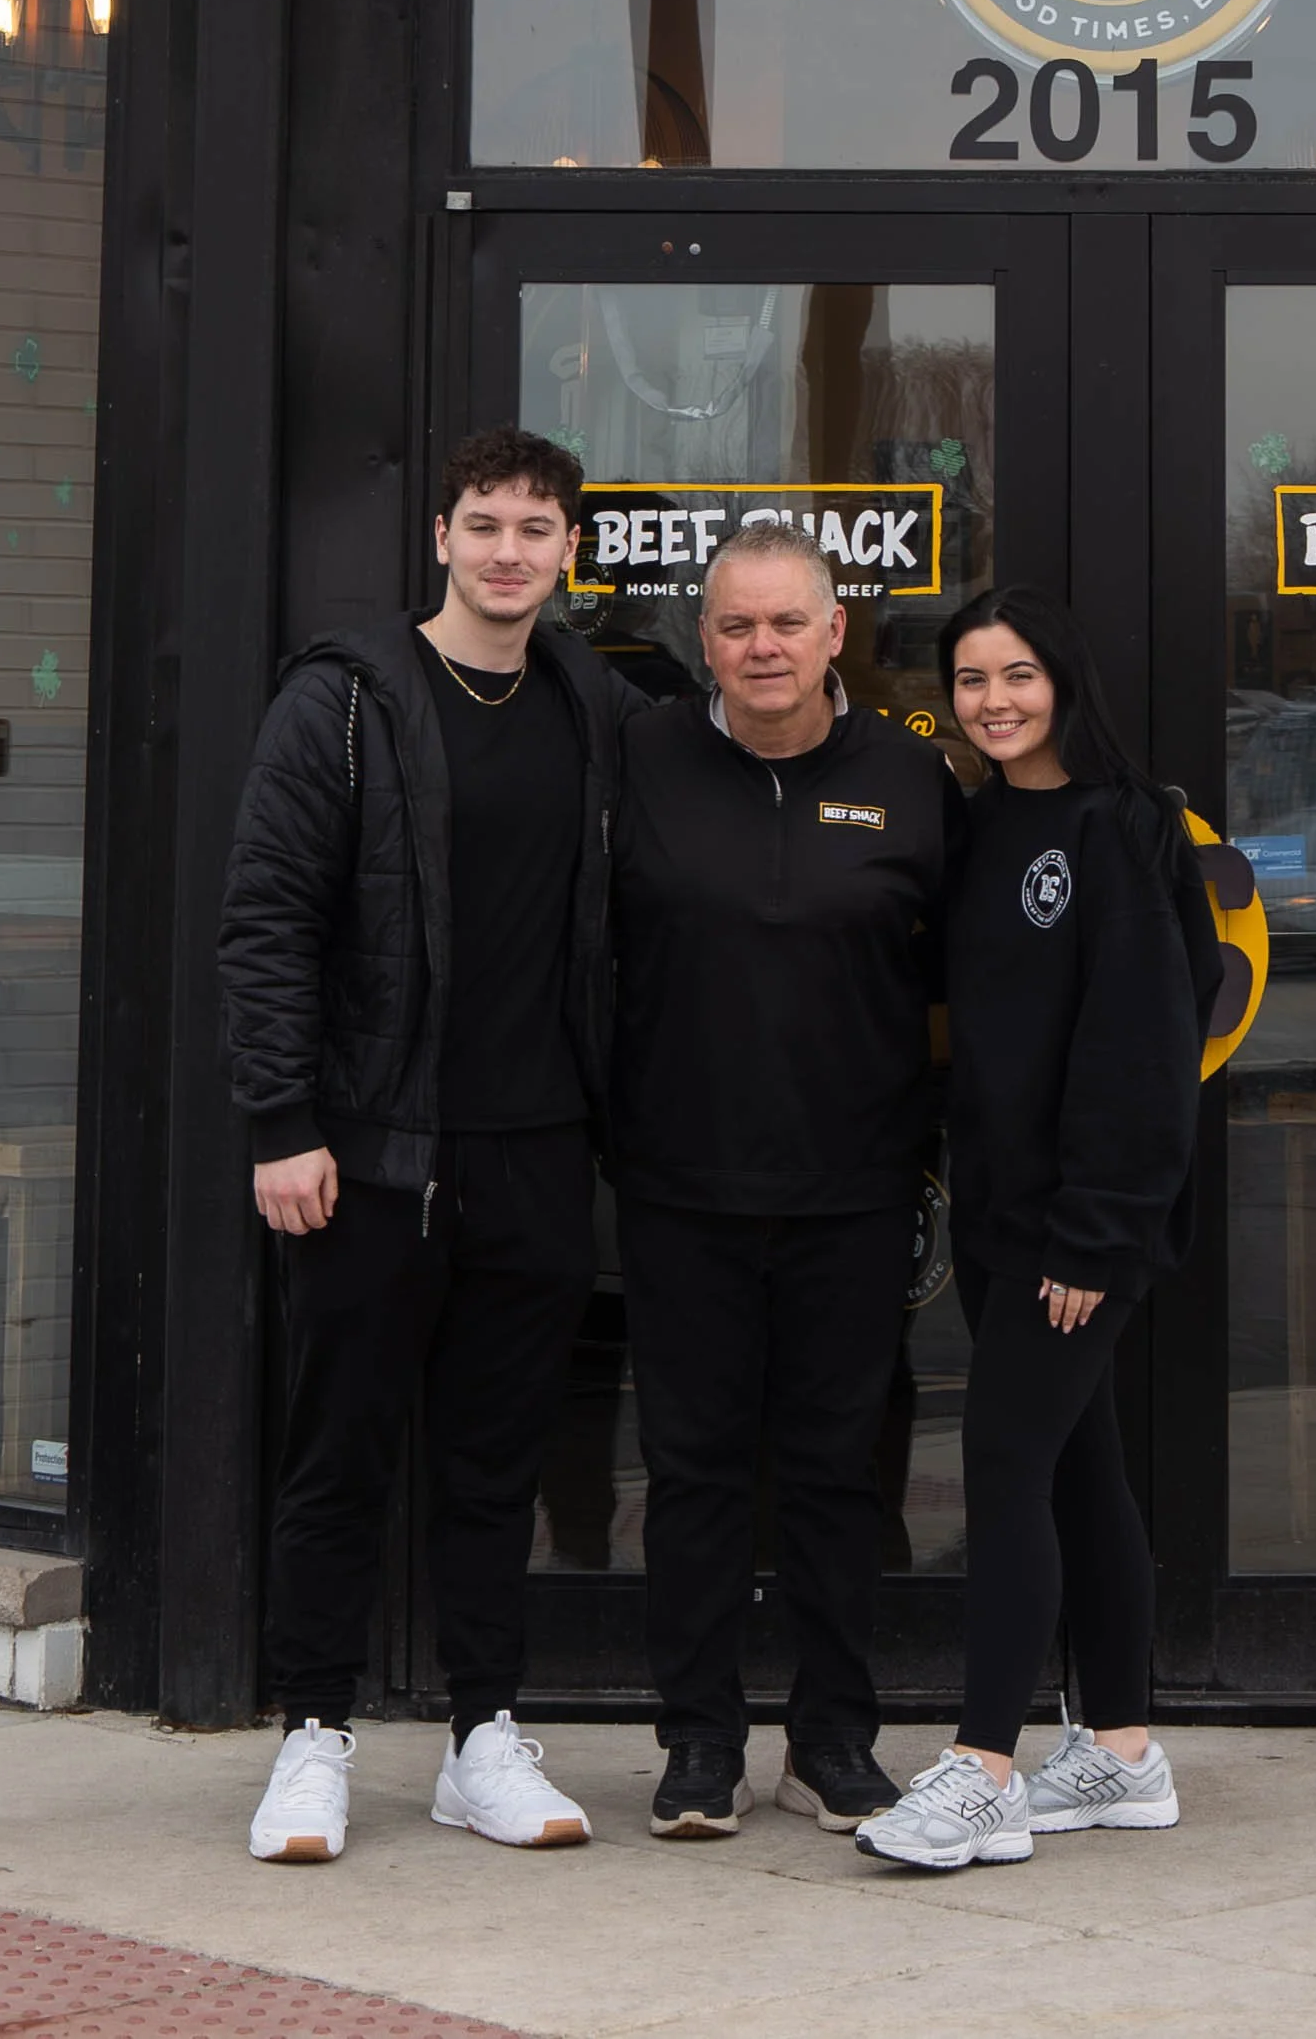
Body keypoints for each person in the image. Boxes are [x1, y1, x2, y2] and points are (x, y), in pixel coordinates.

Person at [219, 427, 642, 1863]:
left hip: (535, 1146)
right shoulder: (344, 699)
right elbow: (266, 916)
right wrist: (282, 1121)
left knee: (494, 1462)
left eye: (536, 526)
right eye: (484, 523)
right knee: (337, 1453)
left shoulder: (591, 697)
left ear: (569, 548)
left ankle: (481, 1737)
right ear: (443, 538)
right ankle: (313, 1734)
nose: (508, 550)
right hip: (369, 1151)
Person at [855, 585, 1219, 1873]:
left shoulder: (1126, 828)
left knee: (1004, 1462)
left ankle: (985, 1768)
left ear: (1063, 679)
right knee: (1078, 1468)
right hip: (1007, 1218)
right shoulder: (981, 822)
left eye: (1017, 676)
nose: (994, 701)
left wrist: (1097, 1232)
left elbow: (1143, 1048)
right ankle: (1120, 1752)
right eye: (968, 680)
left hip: (1083, 1230)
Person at [609, 519, 963, 1840]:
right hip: (677, 1185)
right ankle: (697, 1743)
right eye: (734, 623)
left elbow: (968, 976)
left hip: (856, 1190)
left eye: (785, 622)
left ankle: (830, 1740)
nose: (761, 645)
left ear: (833, 635)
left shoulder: (914, 778)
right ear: (704, 640)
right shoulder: (638, 757)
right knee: (692, 1478)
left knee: (833, 1478)